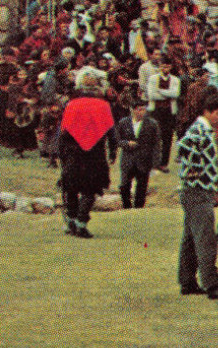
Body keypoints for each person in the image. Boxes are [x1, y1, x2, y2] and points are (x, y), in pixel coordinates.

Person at [176, 90, 218, 300]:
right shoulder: (199, 130)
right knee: (206, 239)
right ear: (208, 112)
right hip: (197, 191)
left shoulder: (203, 129)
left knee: (191, 237)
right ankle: (212, 285)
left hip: (195, 190)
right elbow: (182, 147)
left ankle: (187, 281)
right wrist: (193, 171)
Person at [58, 74, 115, 239]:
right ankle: (81, 224)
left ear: (81, 88)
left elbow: (63, 132)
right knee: (90, 190)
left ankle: (71, 221)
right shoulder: (104, 105)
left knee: (71, 189)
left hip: (72, 154)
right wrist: (112, 152)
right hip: (95, 155)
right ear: (97, 89)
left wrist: (61, 155)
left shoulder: (72, 105)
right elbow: (111, 132)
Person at [116, 100, 161, 209]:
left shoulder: (152, 124)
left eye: (144, 109)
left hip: (144, 159)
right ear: (133, 110)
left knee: (142, 186)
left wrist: (155, 162)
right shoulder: (124, 123)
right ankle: (126, 206)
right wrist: (126, 143)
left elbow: (156, 144)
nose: (142, 112)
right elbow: (117, 140)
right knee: (124, 185)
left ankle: (139, 208)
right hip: (128, 159)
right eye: (139, 109)